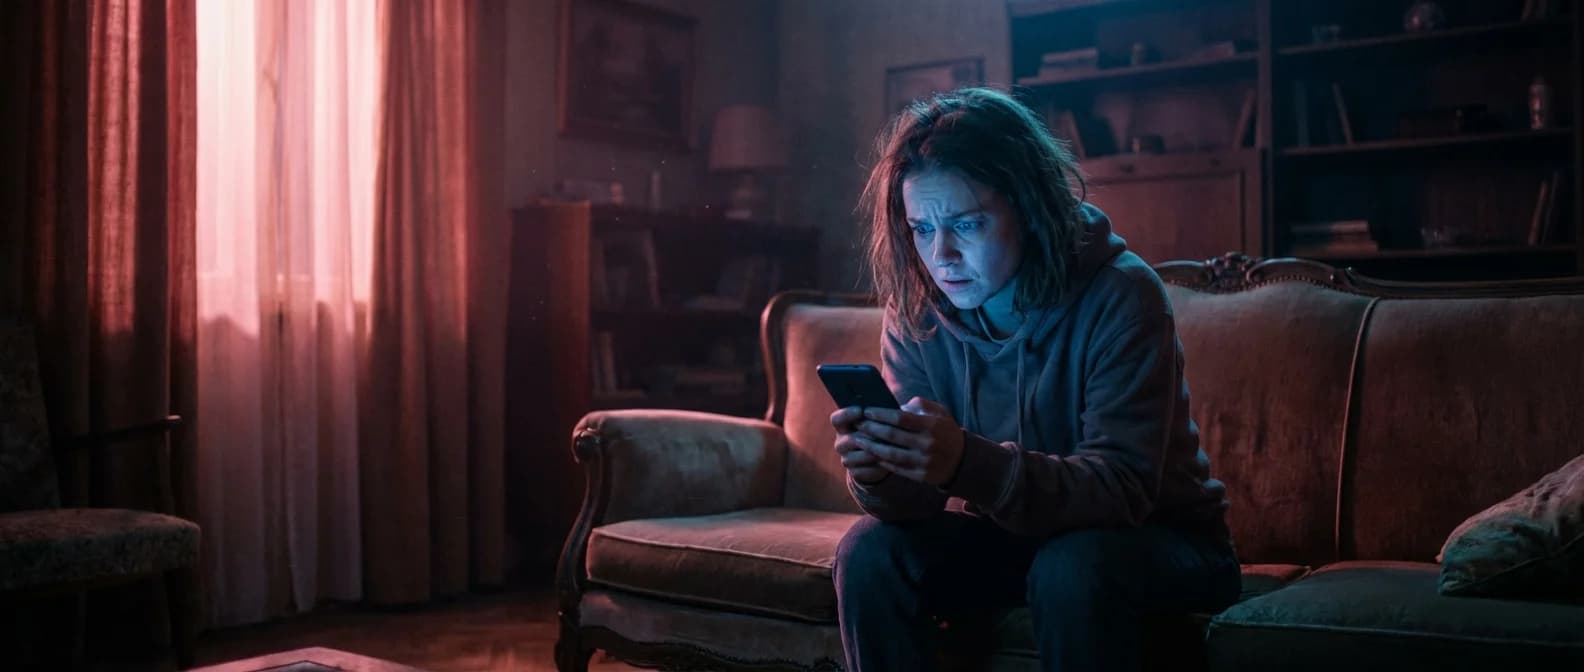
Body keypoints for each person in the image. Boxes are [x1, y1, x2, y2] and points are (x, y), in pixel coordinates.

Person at [829, 87, 1240, 672]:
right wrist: (880, 473)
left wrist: (962, 462)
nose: (940, 255)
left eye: (966, 224)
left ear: (1027, 207)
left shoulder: (1122, 294)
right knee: (869, 551)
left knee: (1073, 566)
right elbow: (916, 503)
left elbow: (1121, 489)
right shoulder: (916, 310)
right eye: (922, 229)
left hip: (1163, 540)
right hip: (1012, 538)